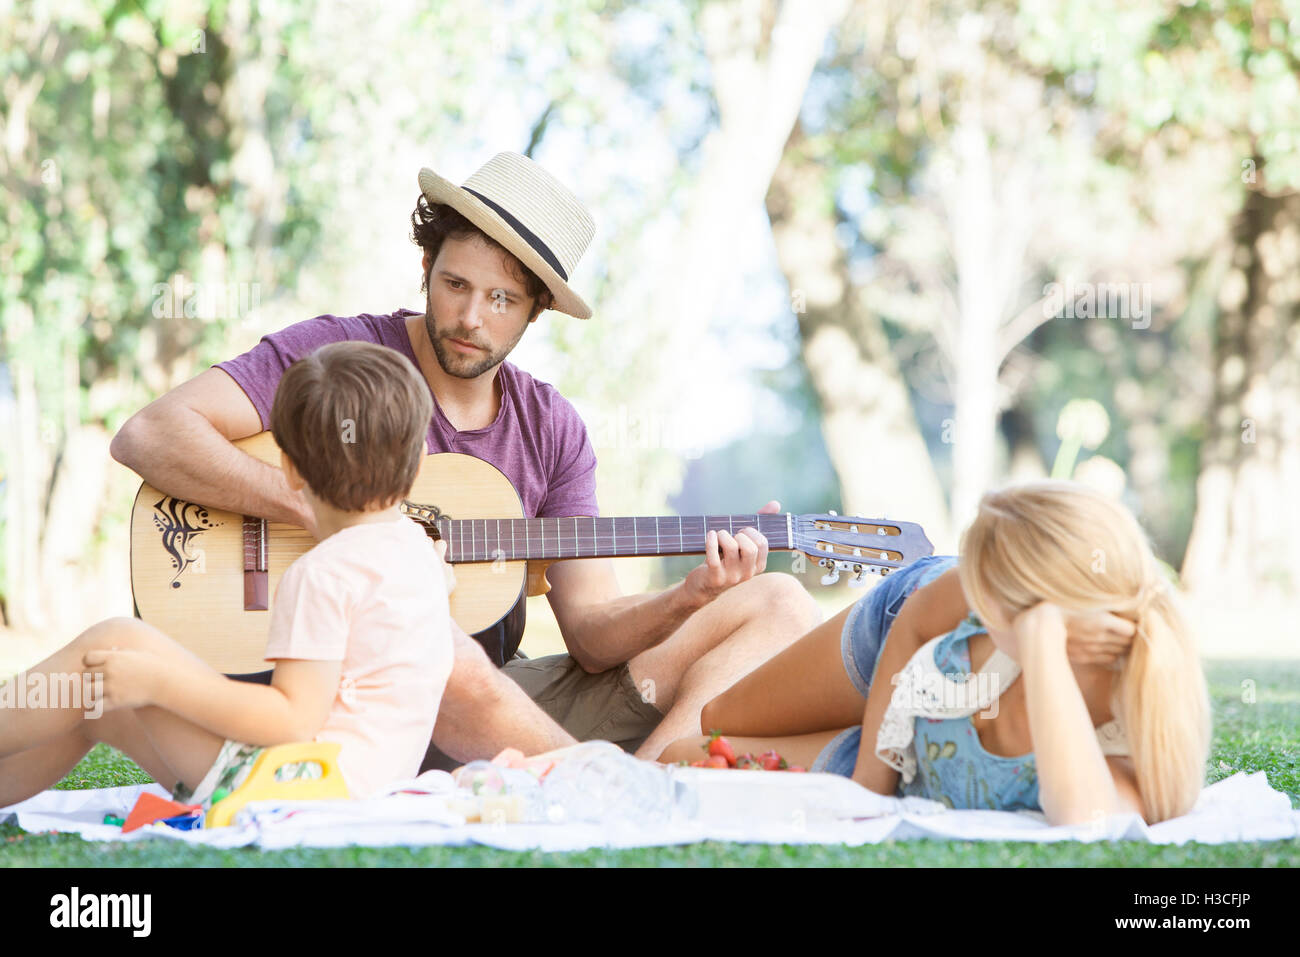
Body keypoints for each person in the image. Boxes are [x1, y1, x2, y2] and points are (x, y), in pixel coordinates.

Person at [109, 152, 821, 767]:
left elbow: (594, 638)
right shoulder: (342, 359)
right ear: (426, 264)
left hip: (483, 705)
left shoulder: (552, 429)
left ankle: (652, 781)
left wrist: (692, 593)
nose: (471, 317)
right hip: (331, 693)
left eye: (503, 298)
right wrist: (321, 507)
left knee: (780, 603)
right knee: (426, 632)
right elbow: (149, 432)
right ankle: (597, 788)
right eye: (455, 285)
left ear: (536, 310)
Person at [0, 342, 454, 809]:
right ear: (419, 460)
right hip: (350, 788)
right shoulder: (421, 555)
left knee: (113, 642)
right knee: (102, 707)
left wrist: (159, 684)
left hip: (300, 791)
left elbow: (292, 720)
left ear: (291, 471)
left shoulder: (324, 574)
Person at [660, 481, 1211, 826]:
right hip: (905, 629)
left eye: (987, 598)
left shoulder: (1135, 717)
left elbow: (1085, 819)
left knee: (691, 752)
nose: (974, 596)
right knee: (721, 717)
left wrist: (1042, 638)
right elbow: (919, 621)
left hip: (929, 736)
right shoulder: (963, 593)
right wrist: (866, 790)